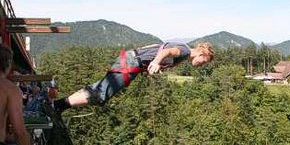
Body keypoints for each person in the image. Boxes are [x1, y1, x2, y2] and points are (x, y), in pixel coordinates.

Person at [52, 42, 214, 113]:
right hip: (131, 62)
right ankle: (58, 106)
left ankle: (59, 105)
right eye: (203, 62)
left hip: (132, 60)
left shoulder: (183, 48)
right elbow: (166, 52)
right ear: (201, 53)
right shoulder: (185, 51)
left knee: (98, 89)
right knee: (100, 95)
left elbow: (156, 48)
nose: (201, 65)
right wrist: (156, 62)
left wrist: (151, 64)